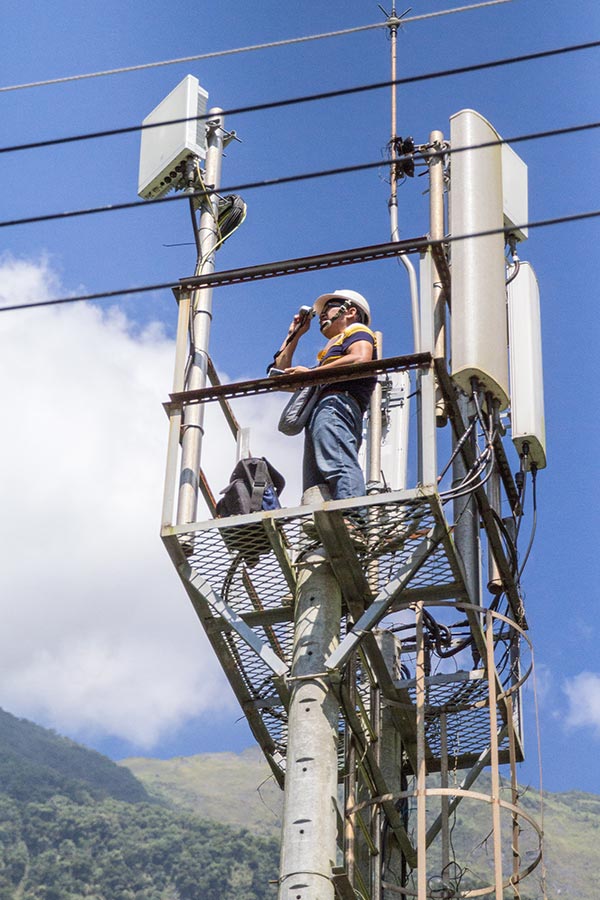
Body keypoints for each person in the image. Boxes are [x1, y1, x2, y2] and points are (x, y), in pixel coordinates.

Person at [274, 289, 377, 502]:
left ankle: (353, 519)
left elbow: (360, 358)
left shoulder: (357, 331)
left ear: (350, 312)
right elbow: (281, 376)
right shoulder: (328, 357)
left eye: (328, 308)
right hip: (323, 409)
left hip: (337, 403)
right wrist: (295, 334)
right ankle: (324, 524)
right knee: (316, 481)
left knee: (337, 461)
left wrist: (313, 374)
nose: (322, 314)